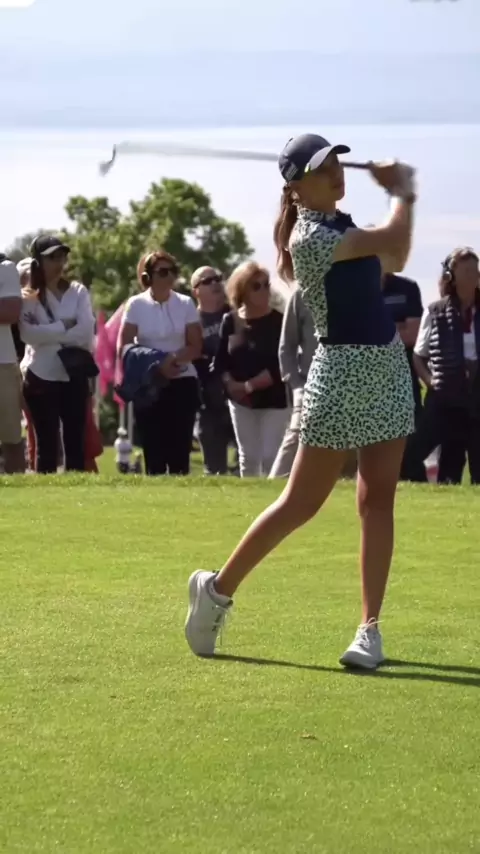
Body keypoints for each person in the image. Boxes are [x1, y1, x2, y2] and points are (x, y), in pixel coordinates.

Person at [185, 133, 416, 669]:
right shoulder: (309, 238)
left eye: (337, 163)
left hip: (386, 369)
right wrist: (402, 193)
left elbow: (397, 253)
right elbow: (393, 236)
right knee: (300, 503)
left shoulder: (344, 225)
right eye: (321, 168)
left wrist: (399, 198)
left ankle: (369, 630)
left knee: (376, 501)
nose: (336, 172)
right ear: (295, 189)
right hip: (339, 376)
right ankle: (216, 590)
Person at [118, 250, 202, 475]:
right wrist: (156, 364)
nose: (170, 276)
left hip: (183, 382)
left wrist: (171, 359)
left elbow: (195, 345)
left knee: (180, 456)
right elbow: (124, 346)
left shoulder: (185, 303)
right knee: (153, 454)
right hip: (149, 384)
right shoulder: (135, 305)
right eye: (163, 272)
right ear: (148, 277)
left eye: (172, 271)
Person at [19, 235, 95, 474]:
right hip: (41, 375)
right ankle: (46, 492)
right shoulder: (29, 296)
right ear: (38, 262)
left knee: (75, 444)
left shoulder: (78, 291)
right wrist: (64, 325)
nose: (59, 262)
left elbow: (86, 332)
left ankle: (75, 492)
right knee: (46, 447)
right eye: (52, 257)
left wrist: (47, 332)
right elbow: (28, 335)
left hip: (74, 374)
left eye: (62, 256)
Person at [213, 261, 290, 477]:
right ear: (242, 290)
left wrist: (248, 386)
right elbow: (220, 361)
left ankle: (275, 496)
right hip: (241, 402)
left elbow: (280, 364)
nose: (264, 290)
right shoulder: (230, 321)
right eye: (256, 286)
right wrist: (230, 383)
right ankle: (249, 497)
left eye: (266, 284)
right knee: (248, 457)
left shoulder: (279, 322)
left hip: (274, 400)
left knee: (270, 456)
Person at [412, 247, 480, 484]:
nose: (473, 276)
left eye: (475, 271)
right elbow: (419, 356)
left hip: (477, 397)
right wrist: (430, 381)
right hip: (447, 399)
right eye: (466, 271)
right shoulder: (435, 312)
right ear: (452, 276)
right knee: (447, 465)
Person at [382, 270, 426, 482]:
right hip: (367, 381)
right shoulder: (356, 288)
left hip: (404, 378)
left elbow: (413, 335)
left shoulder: (407, 288)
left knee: (411, 445)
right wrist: (397, 327)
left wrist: (372, 333)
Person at [269, 287, 316, 478]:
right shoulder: (302, 296)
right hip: (309, 385)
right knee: (296, 437)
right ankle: (273, 487)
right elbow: (286, 348)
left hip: (352, 386)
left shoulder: (361, 291)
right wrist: (296, 385)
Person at [191, 266, 233, 475]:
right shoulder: (190, 321)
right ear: (195, 291)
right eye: (207, 281)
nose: (215, 283)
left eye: (217, 278)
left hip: (240, 396)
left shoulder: (235, 313)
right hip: (209, 403)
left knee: (252, 464)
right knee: (215, 470)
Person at [0, 254, 25, 473]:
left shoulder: (5, 267)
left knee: (11, 438)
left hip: (3, 364)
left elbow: (10, 312)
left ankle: (17, 486)